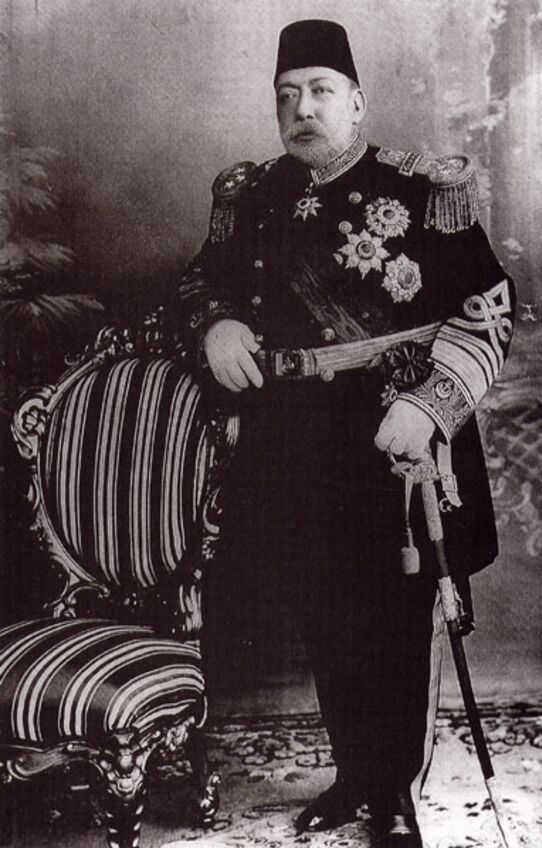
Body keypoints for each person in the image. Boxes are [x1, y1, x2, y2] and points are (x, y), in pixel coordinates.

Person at [176, 19, 515, 847]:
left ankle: (396, 791)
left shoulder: (423, 189)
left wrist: (431, 404)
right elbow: (197, 283)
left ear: (357, 102)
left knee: (396, 621)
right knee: (325, 614)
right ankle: (355, 773)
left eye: (321, 91)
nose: (303, 109)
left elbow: (489, 308)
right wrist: (216, 322)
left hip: (397, 438)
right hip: (293, 441)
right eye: (287, 95)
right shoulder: (249, 198)